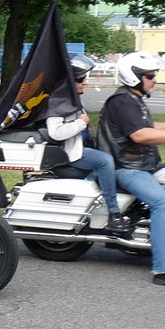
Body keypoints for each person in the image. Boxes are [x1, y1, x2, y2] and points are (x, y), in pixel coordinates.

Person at [97, 50, 165, 288]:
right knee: (162, 201)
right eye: (150, 75)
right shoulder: (122, 101)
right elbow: (140, 134)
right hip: (126, 167)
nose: (155, 79)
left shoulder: (132, 99)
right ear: (134, 76)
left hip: (141, 165)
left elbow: (148, 125)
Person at [46, 54, 128, 233]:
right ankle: (114, 213)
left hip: (82, 147)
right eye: (81, 79)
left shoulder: (72, 99)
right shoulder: (58, 101)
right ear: (69, 81)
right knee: (105, 161)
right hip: (71, 153)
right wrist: (80, 122)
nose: (85, 82)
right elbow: (56, 132)